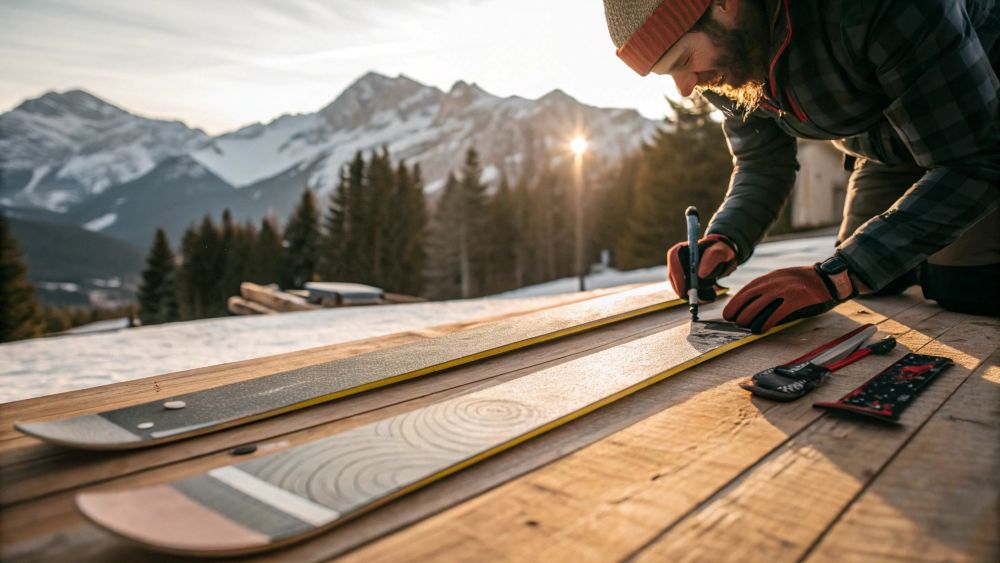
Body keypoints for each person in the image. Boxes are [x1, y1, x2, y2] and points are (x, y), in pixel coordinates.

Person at [603, 0, 1000, 332]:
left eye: (683, 60)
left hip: (977, 117)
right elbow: (762, 162)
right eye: (669, 72)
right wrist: (726, 237)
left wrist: (836, 276)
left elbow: (975, 158)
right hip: (886, 146)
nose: (686, 87)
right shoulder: (722, 63)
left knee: (960, 283)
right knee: (879, 277)